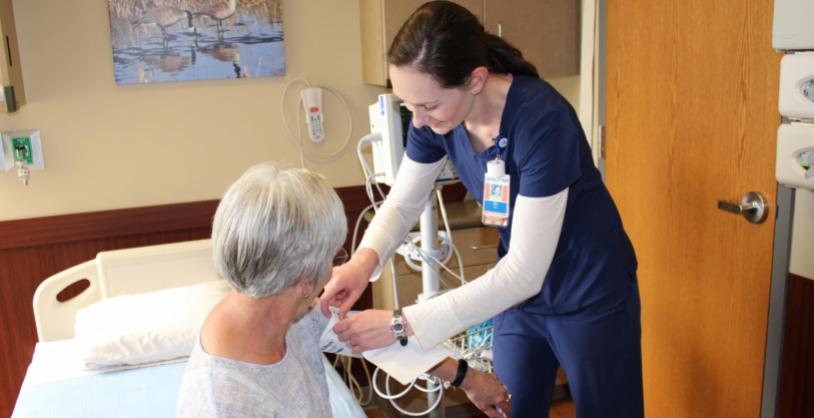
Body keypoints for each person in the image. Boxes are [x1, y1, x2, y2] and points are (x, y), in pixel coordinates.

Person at [319, 1, 644, 417]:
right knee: (508, 406)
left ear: (475, 80)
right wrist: (362, 264)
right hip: (521, 300)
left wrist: (401, 324)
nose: (417, 120)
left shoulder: (542, 120)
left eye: (428, 105)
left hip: (588, 293)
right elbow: (403, 202)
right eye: (407, 104)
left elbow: (525, 272)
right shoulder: (437, 118)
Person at [176, 163, 511, 418]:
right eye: (334, 256)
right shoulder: (224, 402)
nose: (336, 269)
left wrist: (468, 378)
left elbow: (370, 337)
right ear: (304, 279)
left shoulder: (278, 310)